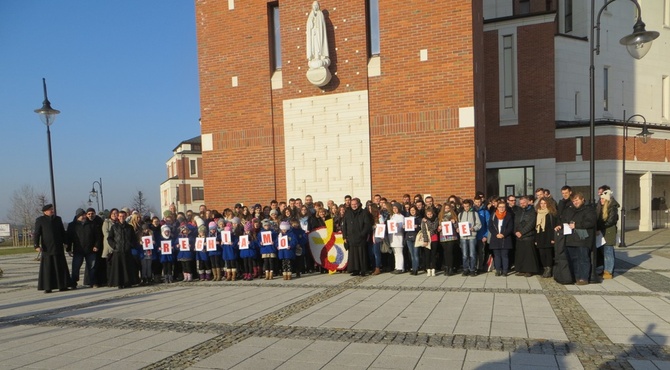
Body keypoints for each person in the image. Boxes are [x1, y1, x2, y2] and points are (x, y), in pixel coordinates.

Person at [34, 204, 73, 293]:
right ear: (45, 212)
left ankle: (63, 285)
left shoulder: (58, 219)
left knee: (60, 267)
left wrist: (66, 242)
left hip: (58, 247)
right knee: (48, 268)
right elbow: (37, 233)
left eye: (52, 209)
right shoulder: (40, 220)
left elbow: (62, 232)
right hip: (47, 248)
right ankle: (48, 287)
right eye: (50, 210)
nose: (52, 211)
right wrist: (36, 246)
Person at [560, 192, 597, 285]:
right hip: (570, 238)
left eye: (577, 200)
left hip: (583, 239)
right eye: (573, 201)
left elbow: (590, 222)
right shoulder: (569, 210)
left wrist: (576, 225)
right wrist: (560, 225)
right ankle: (576, 277)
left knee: (583, 259)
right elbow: (563, 219)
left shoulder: (589, 209)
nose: (575, 202)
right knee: (573, 260)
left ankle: (583, 278)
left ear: (582, 199)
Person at [67, 208, 102, 288]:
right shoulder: (72, 225)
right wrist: (68, 249)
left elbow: (98, 237)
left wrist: (97, 246)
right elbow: (69, 238)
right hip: (78, 250)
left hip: (90, 250)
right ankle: (73, 282)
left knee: (92, 267)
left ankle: (93, 282)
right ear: (77, 216)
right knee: (75, 267)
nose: (83, 217)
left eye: (84, 215)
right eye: (81, 215)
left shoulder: (92, 224)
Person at [107, 209, 139, 288]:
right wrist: (114, 245)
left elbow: (133, 238)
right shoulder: (114, 227)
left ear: (126, 217)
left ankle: (128, 282)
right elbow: (109, 238)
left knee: (128, 268)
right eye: (120, 216)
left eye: (123, 216)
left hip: (127, 251)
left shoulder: (129, 227)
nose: (122, 217)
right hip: (118, 251)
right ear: (118, 217)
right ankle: (119, 283)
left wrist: (131, 245)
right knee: (119, 269)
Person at [342, 197, 372, 276]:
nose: (354, 206)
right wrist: (344, 236)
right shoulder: (347, 213)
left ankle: (363, 270)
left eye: (355, 204)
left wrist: (363, 234)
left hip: (361, 237)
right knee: (353, 255)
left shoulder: (363, 212)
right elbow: (344, 225)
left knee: (361, 254)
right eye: (352, 204)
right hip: (351, 237)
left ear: (358, 204)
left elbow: (367, 224)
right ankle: (355, 270)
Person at [513, 196, 540, 277]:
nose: (522, 204)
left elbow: (531, 224)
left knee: (528, 255)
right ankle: (521, 269)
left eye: (524, 202)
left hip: (528, 236)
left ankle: (529, 270)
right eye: (521, 203)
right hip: (519, 236)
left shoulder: (532, 211)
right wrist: (516, 231)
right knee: (520, 254)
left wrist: (522, 232)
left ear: (528, 202)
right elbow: (515, 222)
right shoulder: (519, 211)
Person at [489, 200, 515, 276]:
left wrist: (504, 234)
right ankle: (498, 270)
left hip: (505, 238)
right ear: (497, 207)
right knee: (497, 255)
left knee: (504, 255)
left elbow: (510, 227)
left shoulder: (509, 215)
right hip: (495, 238)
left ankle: (505, 270)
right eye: (500, 207)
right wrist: (496, 234)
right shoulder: (493, 215)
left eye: (503, 207)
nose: (501, 208)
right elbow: (490, 226)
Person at [597, 190, 619, 279]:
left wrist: (600, 226)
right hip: (604, 230)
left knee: (608, 251)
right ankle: (606, 269)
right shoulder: (602, 207)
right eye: (600, 199)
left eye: (602, 199)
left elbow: (611, 221)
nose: (601, 200)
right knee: (604, 251)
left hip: (609, 230)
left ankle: (608, 271)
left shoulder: (612, 207)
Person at [535, 198, 559, 278]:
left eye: (544, 203)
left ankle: (549, 269)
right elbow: (536, 227)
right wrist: (536, 239)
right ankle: (545, 268)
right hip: (540, 236)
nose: (543, 205)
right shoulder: (538, 213)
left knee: (548, 254)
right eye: (541, 203)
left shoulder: (552, 214)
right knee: (541, 254)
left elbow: (553, 226)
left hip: (549, 236)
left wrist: (553, 238)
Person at [458, 199, 482, 277]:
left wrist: (474, 228)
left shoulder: (475, 214)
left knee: (472, 254)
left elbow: (479, 224)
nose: (466, 208)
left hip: (472, 236)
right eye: (464, 206)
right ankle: (465, 269)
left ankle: (472, 269)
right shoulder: (460, 214)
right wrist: (458, 229)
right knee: (464, 255)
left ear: (470, 206)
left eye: (467, 206)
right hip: (463, 237)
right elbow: (458, 224)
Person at [306, 1, 329, 67]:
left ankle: (320, 56)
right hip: (313, 33)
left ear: (318, 6)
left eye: (316, 5)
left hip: (319, 33)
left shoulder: (320, 14)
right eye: (314, 5)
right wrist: (311, 20)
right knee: (314, 45)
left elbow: (321, 25)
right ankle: (315, 56)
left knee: (319, 44)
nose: (315, 7)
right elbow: (309, 25)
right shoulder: (311, 15)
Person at [437, 203, 458, 276]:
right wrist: (439, 228)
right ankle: (446, 267)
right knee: (445, 252)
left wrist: (454, 222)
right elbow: (438, 226)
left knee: (450, 252)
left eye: (448, 208)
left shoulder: (453, 216)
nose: (447, 210)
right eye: (445, 208)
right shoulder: (440, 216)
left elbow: (457, 227)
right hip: (443, 236)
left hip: (451, 236)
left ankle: (450, 267)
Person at [388, 203, 405, 274]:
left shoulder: (401, 217)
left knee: (399, 252)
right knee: (395, 253)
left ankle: (400, 267)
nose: (395, 210)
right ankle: (396, 266)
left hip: (398, 237)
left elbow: (402, 227)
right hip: (392, 237)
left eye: (396, 208)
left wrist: (398, 226)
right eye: (393, 208)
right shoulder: (393, 216)